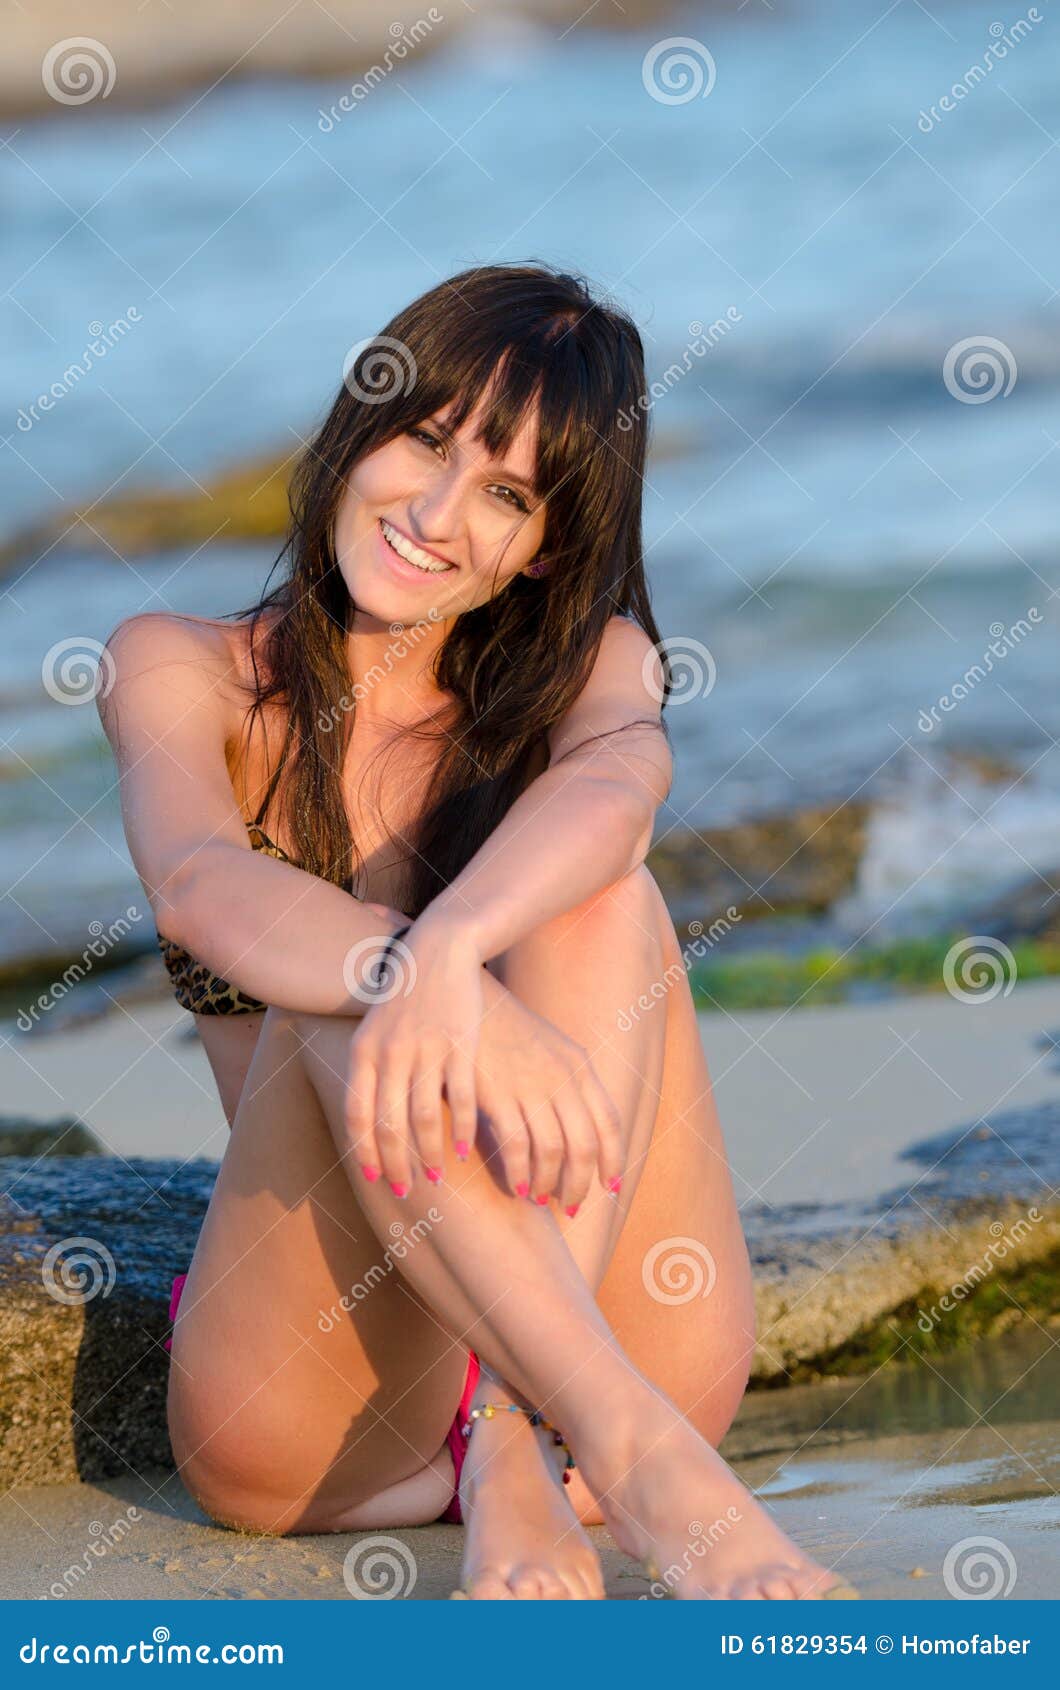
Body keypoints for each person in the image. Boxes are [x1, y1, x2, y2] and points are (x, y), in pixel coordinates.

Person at [99, 262, 855, 1601]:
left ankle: (527, 1431)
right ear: (357, 423)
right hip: (330, 1401)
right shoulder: (182, 666)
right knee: (332, 967)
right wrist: (407, 963)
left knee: (604, 885)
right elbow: (201, 881)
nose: (437, 517)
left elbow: (623, 791)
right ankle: (605, 1451)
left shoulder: (595, 665)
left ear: (546, 546)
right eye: (425, 443)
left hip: (620, 1321)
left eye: (505, 494)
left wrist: (459, 951)